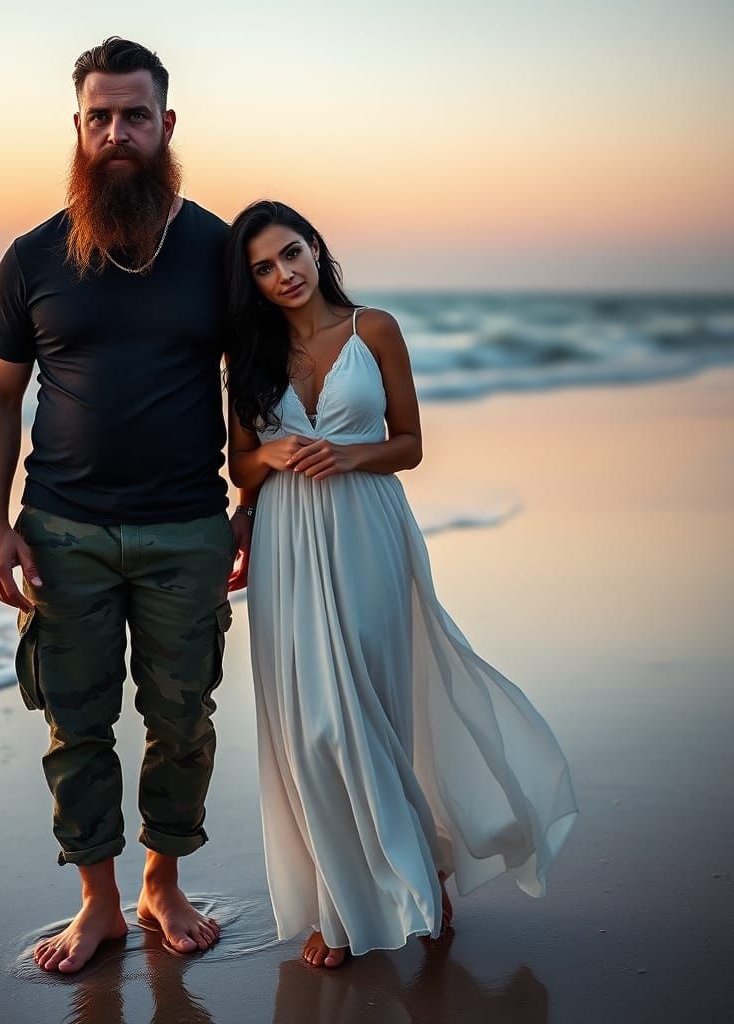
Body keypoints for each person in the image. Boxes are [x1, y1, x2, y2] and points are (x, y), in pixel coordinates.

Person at [226, 200, 579, 968]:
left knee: (371, 706)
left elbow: (411, 444)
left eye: (291, 253)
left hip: (368, 530)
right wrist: (274, 459)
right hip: (288, 540)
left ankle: (417, 872)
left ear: (316, 249)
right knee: (310, 724)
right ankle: (343, 902)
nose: (283, 274)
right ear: (249, 281)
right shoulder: (246, 355)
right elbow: (241, 463)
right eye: (262, 267)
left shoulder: (373, 330)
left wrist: (348, 456)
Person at [0, 37, 255, 974]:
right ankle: (96, 904)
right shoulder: (33, 257)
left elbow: (254, 392)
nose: (119, 132)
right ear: (78, 127)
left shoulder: (219, 252)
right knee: (75, 723)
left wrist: (249, 503)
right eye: (102, 116)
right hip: (61, 533)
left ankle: (161, 883)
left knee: (183, 720)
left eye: (137, 115)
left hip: (186, 530)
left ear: (168, 125)